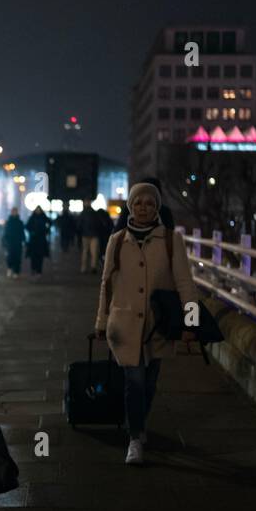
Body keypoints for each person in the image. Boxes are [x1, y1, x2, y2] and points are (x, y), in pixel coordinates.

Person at [94, 181, 200, 466]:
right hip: (124, 323)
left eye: (150, 203)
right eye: (138, 202)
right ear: (130, 206)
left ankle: (138, 425)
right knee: (135, 380)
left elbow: (184, 283)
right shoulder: (116, 241)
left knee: (150, 382)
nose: (143, 207)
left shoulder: (169, 239)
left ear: (157, 208)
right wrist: (101, 323)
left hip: (158, 324)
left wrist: (191, 323)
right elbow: (107, 284)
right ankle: (135, 437)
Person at [25, 206, 51, 276]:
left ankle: (39, 270)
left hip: (41, 240)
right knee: (33, 256)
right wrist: (32, 232)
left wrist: (46, 231)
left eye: (39, 210)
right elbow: (27, 226)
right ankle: (33, 269)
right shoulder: (32, 218)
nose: (38, 211)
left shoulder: (44, 217)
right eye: (37, 210)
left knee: (40, 256)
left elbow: (49, 223)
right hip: (33, 240)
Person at [1, 206, 25, 278]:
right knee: (10, 257)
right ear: (11, 212)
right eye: (13, 211)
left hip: (18, 243)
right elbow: (5, 233)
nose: (14, 213)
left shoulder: (20, 222)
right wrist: (4, 242)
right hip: (10, 243)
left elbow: (22, 232)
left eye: (15, 211)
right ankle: (10, 269)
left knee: (17, 258)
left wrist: (23, 241)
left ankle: (16, 272)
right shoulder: (8, 222)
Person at [77, 205, 101, 273]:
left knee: (85, 251)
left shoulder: (83, 213)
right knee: (94, 252)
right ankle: (93, 267)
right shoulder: (95, 213)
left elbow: (79, 225)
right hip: (94, 235)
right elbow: (99, 224)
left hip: (85, 235)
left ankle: (83, 268)